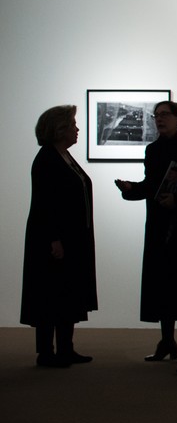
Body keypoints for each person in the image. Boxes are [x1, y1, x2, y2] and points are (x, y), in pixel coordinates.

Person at [115, 101, 177, 362]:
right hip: (159, 221)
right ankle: (167, 341)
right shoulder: (153, 149)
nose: (159, 120)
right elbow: (152, 185)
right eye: (156, 116)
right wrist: (131, 190)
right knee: (162, 281)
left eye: (164, 115)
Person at [21, 105, 98, 367]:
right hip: (53, 239)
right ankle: (46, 352)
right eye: (73, 125)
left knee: (68, 291)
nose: (77, 130)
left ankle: (65, 348)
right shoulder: (46, 159)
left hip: (72, 237)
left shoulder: (64, 156)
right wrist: (53, 239)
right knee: (49, 292)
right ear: (59, 129)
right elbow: (44, 202)